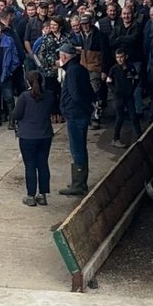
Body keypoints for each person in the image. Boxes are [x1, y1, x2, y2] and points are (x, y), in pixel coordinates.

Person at [13, 71, 58, 206]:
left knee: (30, 165)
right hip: (45, 135)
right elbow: (54, 109)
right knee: (43, 164)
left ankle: (31, 196)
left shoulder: (25, 97)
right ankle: (43, 195)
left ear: (28, 82)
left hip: (27, 136)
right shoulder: (49, 95)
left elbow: (16, 114)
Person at [57, 43, 94, 197]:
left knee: (77, 148)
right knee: (79, 147)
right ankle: (78, 181)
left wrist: (69, 108)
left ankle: (79, 184)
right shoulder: (81, 69)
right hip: (80, 113)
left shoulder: (72, 72)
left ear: (64, 57)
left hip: (75, 114)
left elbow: (75, 94)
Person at [107, 48, 145, 148]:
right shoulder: (114, 69)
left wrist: (132, 89)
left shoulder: (131, 67)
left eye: (121, 57)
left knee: (133, 116)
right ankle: (115, 138)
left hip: (129, 96)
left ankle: (139, 136)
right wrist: (115, 91)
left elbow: (136, 78)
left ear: (126, 57)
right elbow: (108, 82)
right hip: (118, 97)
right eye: (117, 57)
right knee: (120, 117)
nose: (120, 59)